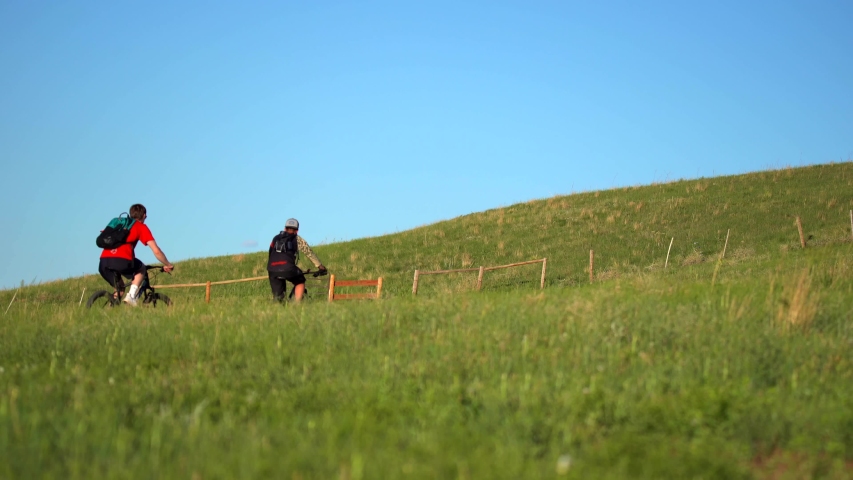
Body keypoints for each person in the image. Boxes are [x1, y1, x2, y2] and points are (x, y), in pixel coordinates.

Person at [98, 204, 175, 306]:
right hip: (122, 260)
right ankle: (131, 296)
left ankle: (109, 311)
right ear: (143, 215)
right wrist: (168, 264)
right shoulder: (141, 227)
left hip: (103, 262)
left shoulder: (119, 223)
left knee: (120, 289)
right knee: (141, 268)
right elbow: (156, 251)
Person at [267, 218, 327, 302]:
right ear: (297, 231)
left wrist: (274, 267)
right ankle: (296, 305)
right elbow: (308, 252)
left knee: (278, 298)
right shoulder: (297, 239)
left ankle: (278, 309)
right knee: (300, 281)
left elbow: (270, 252)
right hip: (288, 267)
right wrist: (320, 267)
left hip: (272, 269)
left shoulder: (275, 238)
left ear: (285, 228)